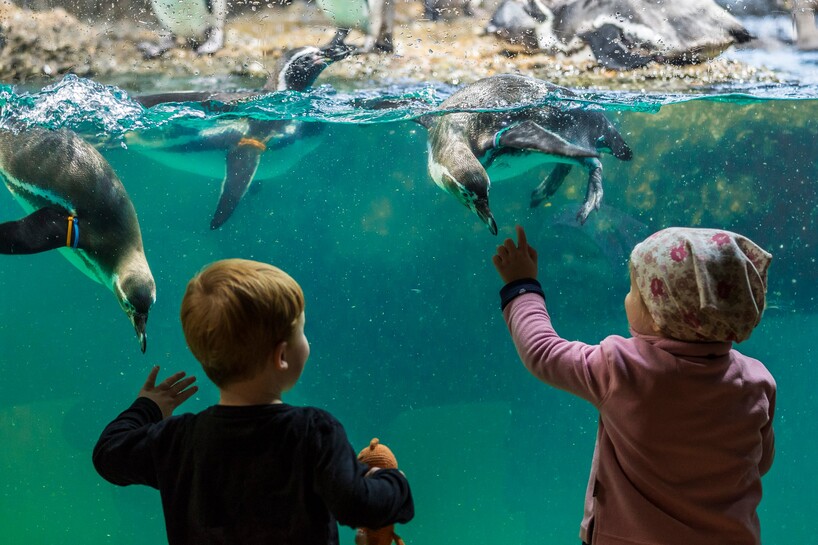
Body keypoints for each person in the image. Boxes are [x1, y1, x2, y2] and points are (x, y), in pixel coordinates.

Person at [93, 258, 414, 545]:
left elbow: (109, 453)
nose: (308, 341)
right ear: (282, 356)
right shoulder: (314, 433)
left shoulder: (179, 441)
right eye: (301, 331)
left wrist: (148, 407)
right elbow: (358, 505)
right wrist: (393, 483)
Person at [491, 226, 775, 545]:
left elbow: (543, 351)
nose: (627, 298)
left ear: (658, 315)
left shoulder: (621, 367)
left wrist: (521, 285)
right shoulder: (757, 381)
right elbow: (759, 462)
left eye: (633, 291)